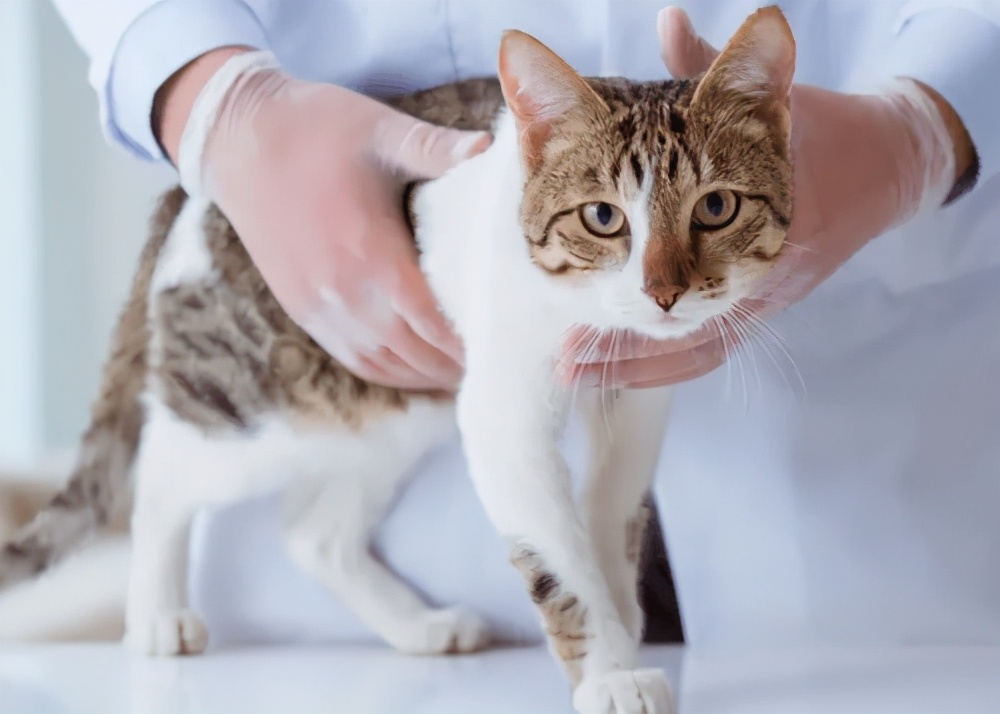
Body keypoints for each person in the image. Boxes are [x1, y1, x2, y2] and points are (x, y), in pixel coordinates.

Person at [52, 0, 1000, 648]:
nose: (663, 282)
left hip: (872, 479)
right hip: (360, 401)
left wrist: (922, 126)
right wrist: (213, 95)